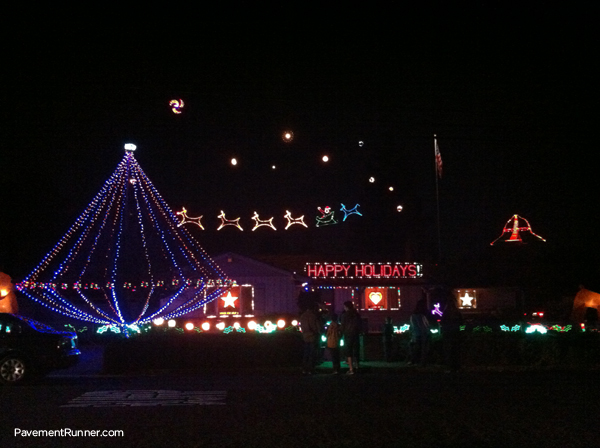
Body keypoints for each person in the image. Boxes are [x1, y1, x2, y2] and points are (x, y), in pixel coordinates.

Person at [440, 297, 463, 372]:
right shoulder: (457, 313)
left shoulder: (446, 313)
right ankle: (456, 367)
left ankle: (450, 367)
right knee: (455, 350)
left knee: (449, 351)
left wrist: (442, 332)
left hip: (448, 334)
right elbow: (462, 324)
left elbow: (442, 324)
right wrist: (461, 331)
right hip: (455, 334)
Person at [299, 303, 322, 375]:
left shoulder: (302, 316)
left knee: (306, 353)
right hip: (312, 336)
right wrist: (319, 332)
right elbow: (317, 327)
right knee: (312, 353)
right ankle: (311, 369)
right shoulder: (313, 316)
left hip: (305, 336)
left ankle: (304, 369)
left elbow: (301, 326)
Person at [340, 300, 362, 374]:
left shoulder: (344, 315)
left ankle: (351, 369)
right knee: (356, 350)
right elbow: (360, 324)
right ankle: (357, 366)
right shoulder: (356, 314)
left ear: (346, 307)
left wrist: (341, 334)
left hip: (348, 334)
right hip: (356, 334)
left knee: (349, 351)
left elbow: (342, 326)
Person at [409, 298, 431, 366]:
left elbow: (413, 326)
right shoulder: (421, 316)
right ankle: (422, 362)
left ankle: (415, 361)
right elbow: (424, 326)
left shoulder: (413, 316)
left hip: (417, 334)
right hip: (423, 334)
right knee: (423, 349)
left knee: (417, 348)